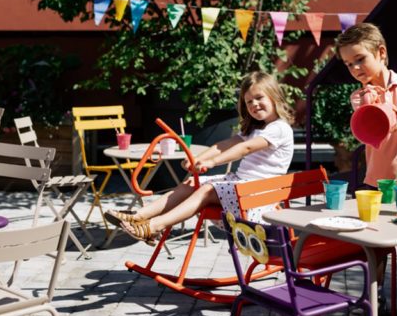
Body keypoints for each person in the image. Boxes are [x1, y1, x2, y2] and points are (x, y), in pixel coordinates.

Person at [105, 71, 295, 245]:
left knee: (206, 190)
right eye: (248, 102)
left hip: (260, 193)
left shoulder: (279, 128)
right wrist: (198, 159)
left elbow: (245, 148)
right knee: (190, 184)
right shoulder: (256, 128)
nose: (254, 104)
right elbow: (223, 145)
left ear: (274, 97)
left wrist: (212, 162)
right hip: (244, 185)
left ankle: (153, 227)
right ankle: (138, 215)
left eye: (259, 98)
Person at [336, 22, 397, 316]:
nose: (355, 68)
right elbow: (366, 128)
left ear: (381, 52)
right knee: (374, 242)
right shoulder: (360, 95)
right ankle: (373, 298)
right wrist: (371, 103)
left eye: (359, 59)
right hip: (376, 180)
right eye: (348, 64)